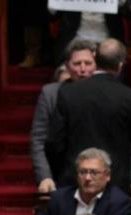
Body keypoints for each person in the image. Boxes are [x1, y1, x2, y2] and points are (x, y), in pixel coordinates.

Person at [51, 38, 131, 192]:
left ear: (96, 60)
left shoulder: (67, 92)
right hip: (114, 185)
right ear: (120, 65)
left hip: (74, 182)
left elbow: (53, 142)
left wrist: (64, 173)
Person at [23, 148, 131, 215]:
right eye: (83, 172)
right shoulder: (59, 198)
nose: (88, 178)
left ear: (107, 176)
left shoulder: (119, 202)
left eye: (94, 172)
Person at [30, 39, 97, 193]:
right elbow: (38, 139)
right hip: (61, 173)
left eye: (88, 63)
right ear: (66, 66)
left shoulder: (108, 94)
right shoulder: (50, 93)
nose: (82, 69)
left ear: (96, 66)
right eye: (77, 63)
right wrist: (44, 176)